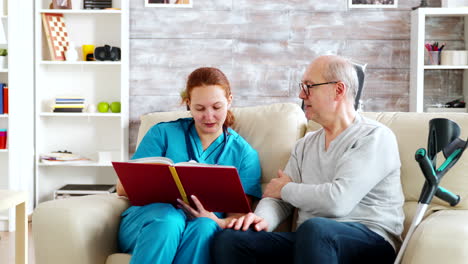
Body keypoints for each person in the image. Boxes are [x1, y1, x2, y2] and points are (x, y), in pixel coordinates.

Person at [212, 55, 405, 264]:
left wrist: (286, 189)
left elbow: (337, 202)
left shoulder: (374, 137)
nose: (301, 94)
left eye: (309, 86)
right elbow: (277, 197)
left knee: (315, 229)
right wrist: (261, 221)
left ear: (338, 90)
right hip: (311, 241)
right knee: (231, 240)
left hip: (369, 241)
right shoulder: (306, 144)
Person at [116, 67, 262, 264]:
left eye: (216, 107)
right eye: (200, 108)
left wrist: (213, 219)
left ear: (229, 100)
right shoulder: (161, 134)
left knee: (205, 228)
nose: (208, 116)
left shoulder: (244, 154)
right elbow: (122, 188)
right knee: (169, 219)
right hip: (150, 221)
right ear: (188, 105)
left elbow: (237, 217)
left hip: (201, 226)